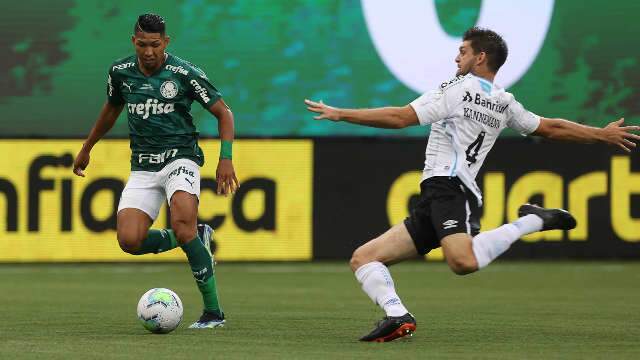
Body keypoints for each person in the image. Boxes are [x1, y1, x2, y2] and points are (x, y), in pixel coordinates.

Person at [305, 27, 640, 342]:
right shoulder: (504, 101)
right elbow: (550, 127)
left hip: (450, 188)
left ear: (480, 58)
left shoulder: (457, 88)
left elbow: (401, 117)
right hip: (437, 195)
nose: (456, 58)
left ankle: (533, 220)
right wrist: (600, 134)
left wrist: (342, 114)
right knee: (363, 258)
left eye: (462, 51)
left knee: (462, 262)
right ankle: (397, 315)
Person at [73, 13, 239, 329]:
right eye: (143, 45)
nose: (149, 52)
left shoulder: (183, 73)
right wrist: (87, 147)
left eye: (155, 45)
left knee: (182, 221)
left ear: (166, 42)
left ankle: (213, 313)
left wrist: (225, 158)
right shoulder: (120, 73)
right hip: (144, 167)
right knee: (129, 240)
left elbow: (224, 113)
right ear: (134, 41)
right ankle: (193, 236)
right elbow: (111, 109)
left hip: (181, 158)